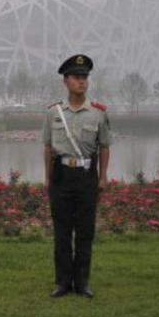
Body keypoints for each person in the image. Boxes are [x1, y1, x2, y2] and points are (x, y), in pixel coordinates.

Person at [42, 54, 111, 299]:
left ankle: (82, 283)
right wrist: (48, 179)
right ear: (65, 81)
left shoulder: (98, 113)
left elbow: (104, 147)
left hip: (86, 177)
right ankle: (62, 283)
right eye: (77, 77)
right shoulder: (53, 113)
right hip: (61, 177)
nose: (82, 82)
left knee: (84, 232)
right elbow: (48, 148)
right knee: (62, 232)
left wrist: (102, 178)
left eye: (85, 78)